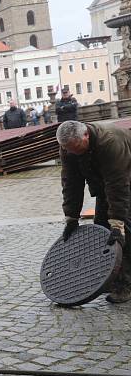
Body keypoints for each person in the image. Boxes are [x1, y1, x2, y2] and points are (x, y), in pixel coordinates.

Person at [57, 120, 131, 303]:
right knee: (102, 229)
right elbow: (71, 182)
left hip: (125, 181)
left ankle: (124, 285)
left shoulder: (110, 142)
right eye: (69, 150)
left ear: (86, 136)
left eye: (77, 148)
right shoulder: (68, 147)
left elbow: (118, 185)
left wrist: (118, 223)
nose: (73, 153)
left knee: (123, 233)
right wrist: (71, 217)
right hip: (106, 186)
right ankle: (112, 275)